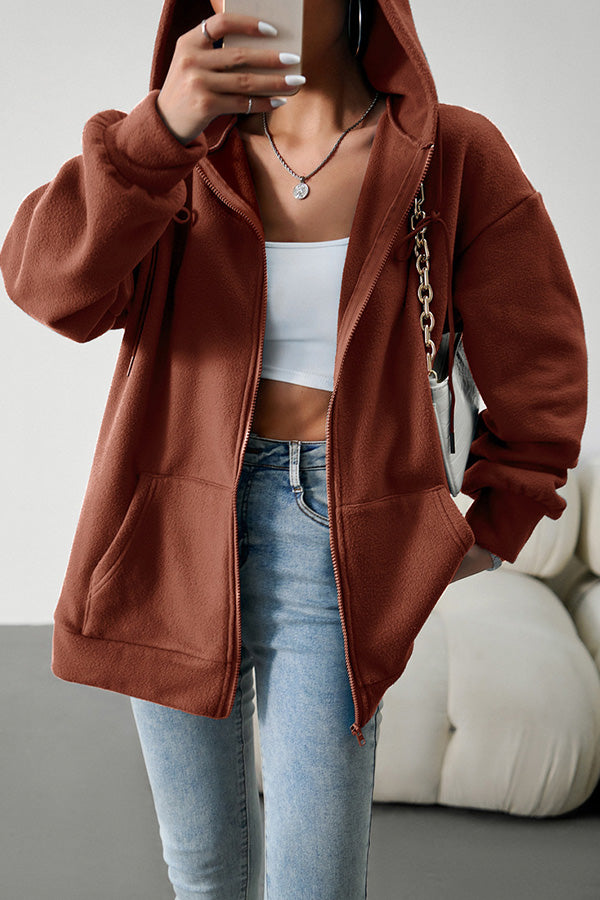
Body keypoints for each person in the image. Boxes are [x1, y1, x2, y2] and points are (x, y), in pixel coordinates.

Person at [0, 0, 588, 897]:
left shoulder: (452, 156)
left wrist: (498, 521)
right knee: (204, 871)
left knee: (316, 882)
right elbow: (47, 287)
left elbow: (539, 357)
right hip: (170, 528)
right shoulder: (177, 153)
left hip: (334, 537)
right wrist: (160, 133)